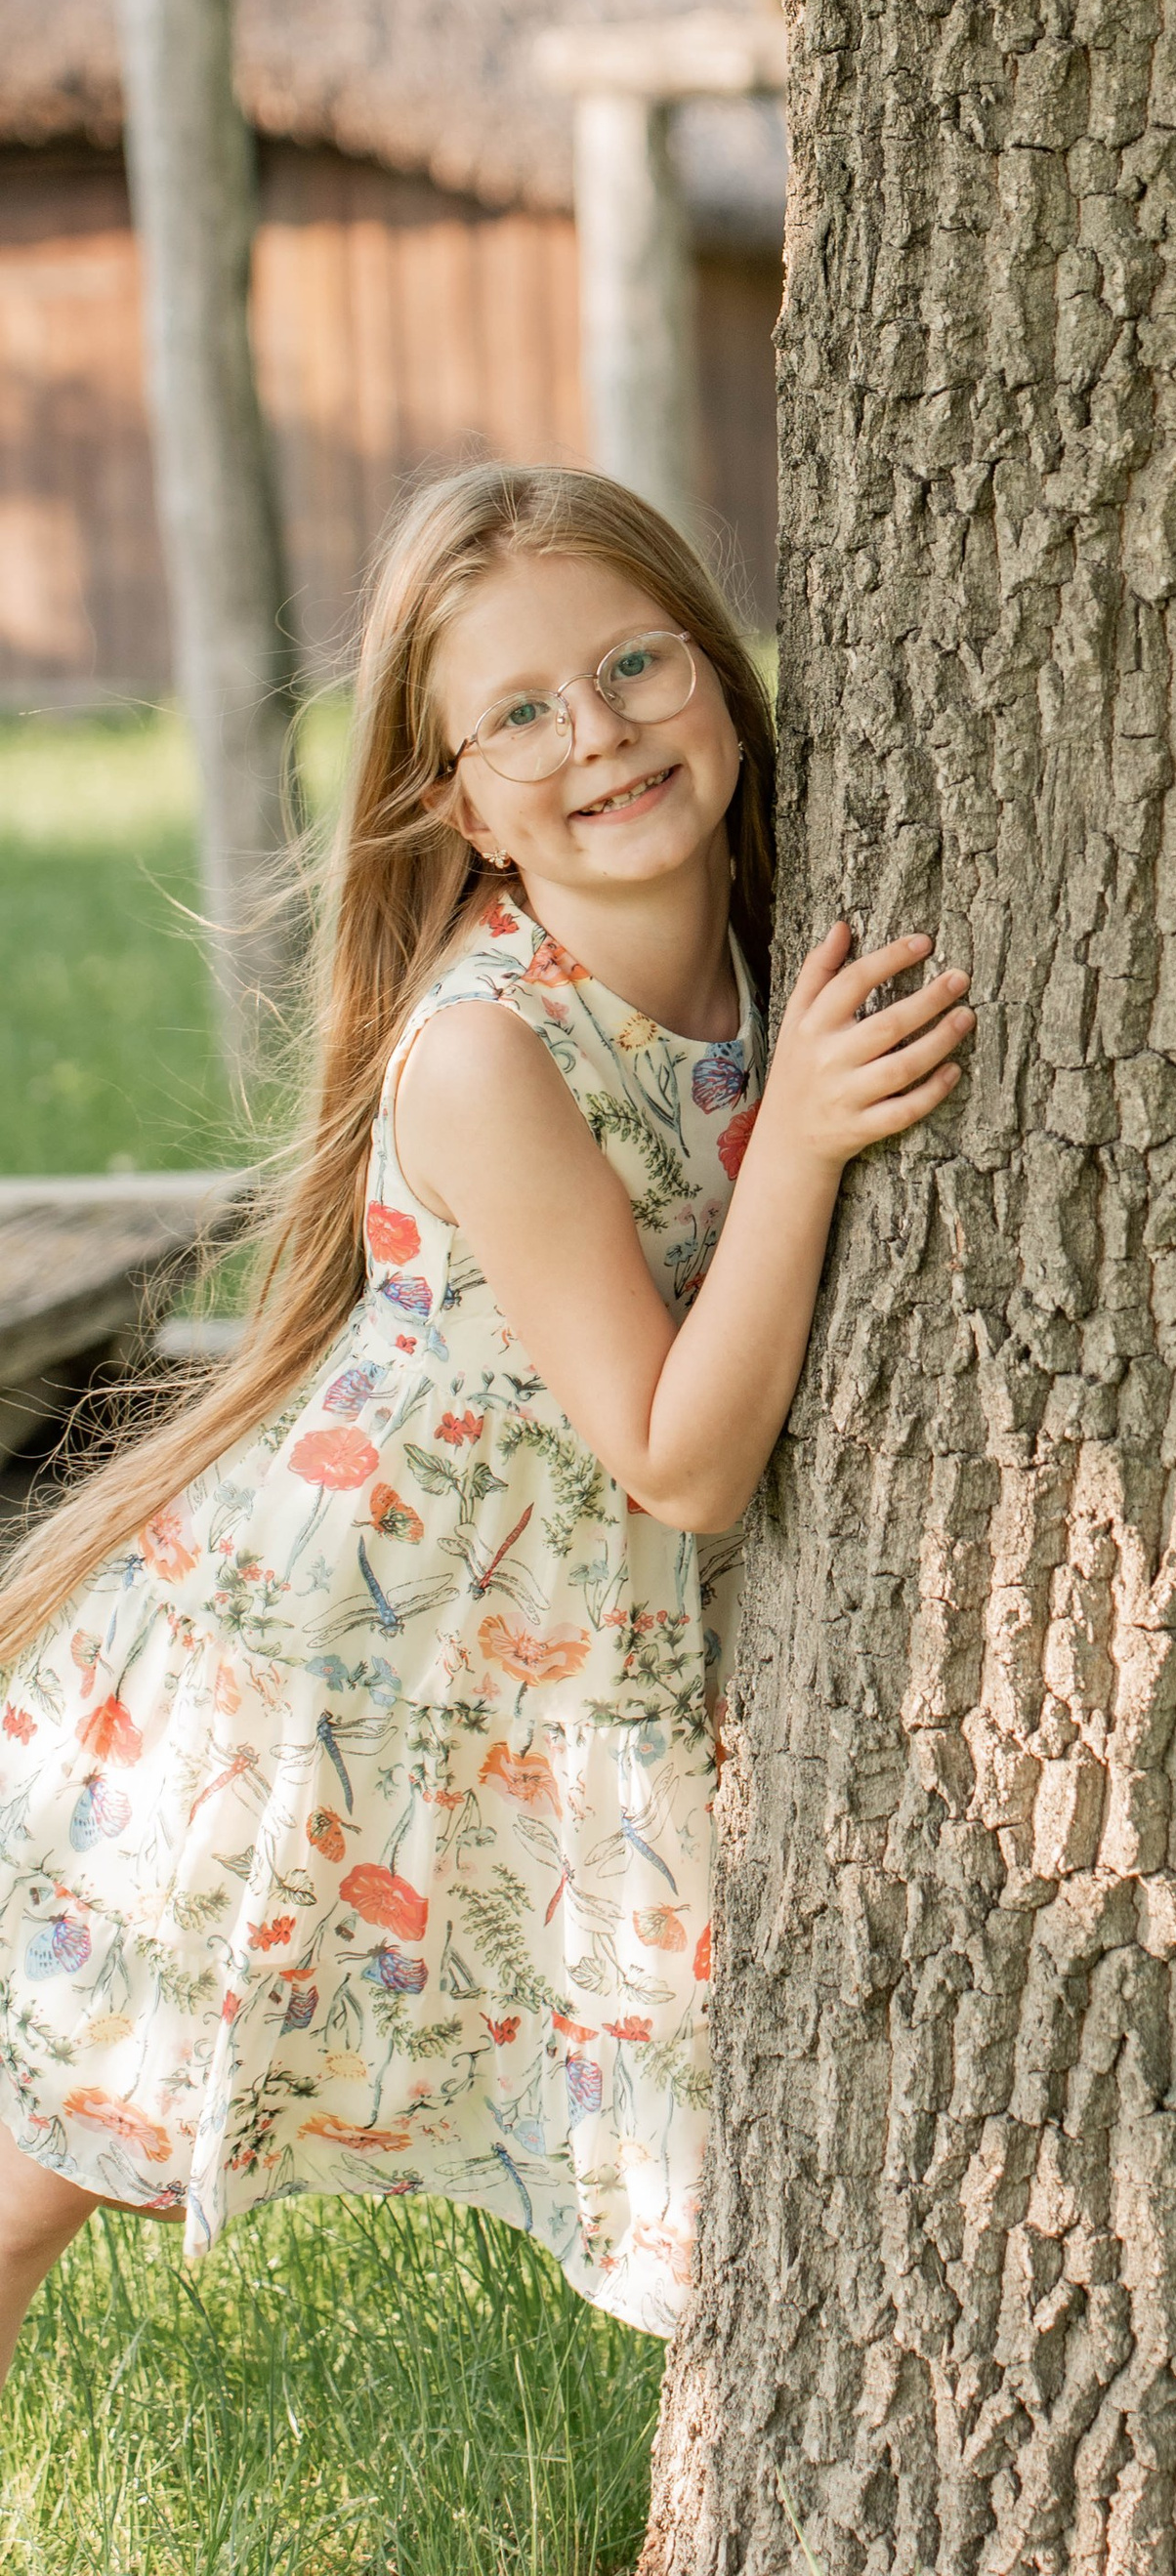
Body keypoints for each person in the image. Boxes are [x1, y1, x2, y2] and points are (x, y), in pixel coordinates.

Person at [0, 465, 974, 2370]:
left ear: (722, 671)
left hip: (525, 1670)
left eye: (634, 666)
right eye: (519, 713)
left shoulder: (775, 952)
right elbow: (676, 1457)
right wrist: (808, 1149)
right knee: (54, 2160)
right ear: (456, 803)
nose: (595, 732)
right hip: (323, 1674)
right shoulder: (484, 1055)